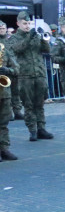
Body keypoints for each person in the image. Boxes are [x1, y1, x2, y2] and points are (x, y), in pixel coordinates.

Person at [8, 11, 53, 142]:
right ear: (18, 24)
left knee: (39, 104)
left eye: (28, 23)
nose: (27, 26)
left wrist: (44, 38)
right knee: (29, 105)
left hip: (39, 74)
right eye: (24, 23)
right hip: (25, 75)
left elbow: (46, 50)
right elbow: (17, 49)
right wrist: (29, 37)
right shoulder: (14, 38)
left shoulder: (34, 36)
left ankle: (41, 128)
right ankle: (32, 130)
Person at [0, 32, 16, 160]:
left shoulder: (4, 50)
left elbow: (17, 68)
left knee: (4, 123)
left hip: (4, 93)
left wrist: (7, 70)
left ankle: (4, 149)